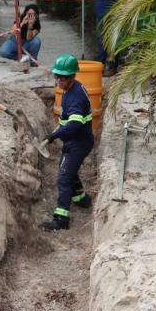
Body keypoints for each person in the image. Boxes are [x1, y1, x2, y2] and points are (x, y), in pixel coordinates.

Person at [40, 53, 95, 231]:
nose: (58, 81)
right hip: (77, 141)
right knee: (69, 171)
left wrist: (52, 136)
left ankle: (61, 219)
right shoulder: (72, 89)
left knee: (63, 178)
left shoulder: (76, 97)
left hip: (78, 143)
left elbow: (74, 124)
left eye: (62, 78)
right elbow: (68, 121)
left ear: (72, 77)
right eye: (56, 77)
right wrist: (57, 131)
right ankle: (81, 199)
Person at [88, 0, 121, 77]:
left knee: (112, 40)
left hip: (112, 13)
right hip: (101, 14)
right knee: (101, 40)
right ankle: (100, 66)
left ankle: (112, 67)